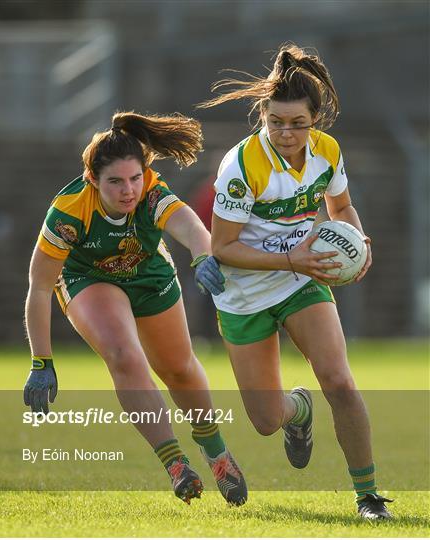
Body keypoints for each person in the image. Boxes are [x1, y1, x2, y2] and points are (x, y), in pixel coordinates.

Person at [199, 43, 392, 520]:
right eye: (276, 122)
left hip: (301, 281)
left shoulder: (327, 152)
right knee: (266, 421)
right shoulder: (242, 167)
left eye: (297, 123)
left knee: (339, 381)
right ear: (262, 116)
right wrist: (292, 260)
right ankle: (298, 412)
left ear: (316, 121)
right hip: (243, 291)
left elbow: (340, 207)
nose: (286, 133)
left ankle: (368, 497)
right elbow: (222, 247)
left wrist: (357, 241)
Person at [23, 111, 247, 506]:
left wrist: (202, 256)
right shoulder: (69, 212)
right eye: (115, 182)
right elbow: (40, 288)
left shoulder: (151, 192)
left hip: (147, 273)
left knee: (179, 368)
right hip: (89, 279)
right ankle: (176, 465)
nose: (128, 190)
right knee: (125, 356)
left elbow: (191, 227)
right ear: (93, 180)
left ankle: (216, 453)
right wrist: (41, 361)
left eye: (134, 178)